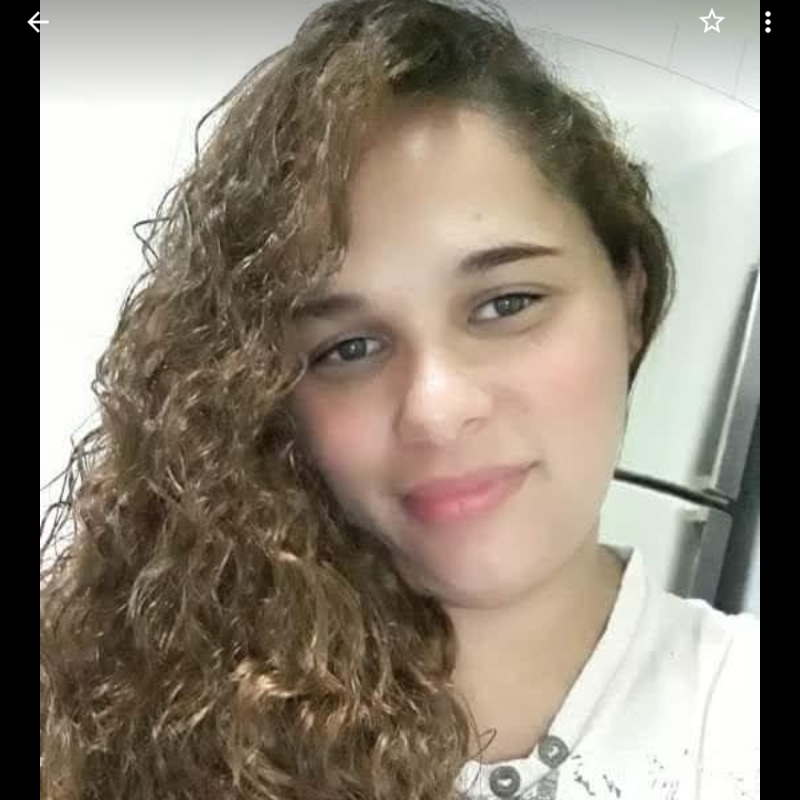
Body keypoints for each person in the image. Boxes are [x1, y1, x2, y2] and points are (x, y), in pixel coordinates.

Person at [39, 1, 760, 798]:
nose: (436, 409)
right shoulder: (129, 717)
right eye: (348, 349)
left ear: (630, 298)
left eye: (506, 303)